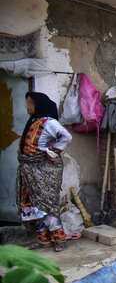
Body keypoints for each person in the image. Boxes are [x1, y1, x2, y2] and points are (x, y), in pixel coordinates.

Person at [16, 92, 72, 252]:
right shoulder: (33, 121)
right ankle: (43, 240)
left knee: (46, 205)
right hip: (28, 171)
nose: (27, 107)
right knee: (32, 205)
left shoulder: (49, 122)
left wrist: (52, 151)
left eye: (29, 103)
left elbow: (66, 137)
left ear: (38, 104)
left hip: (43, 170)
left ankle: (60, 239)